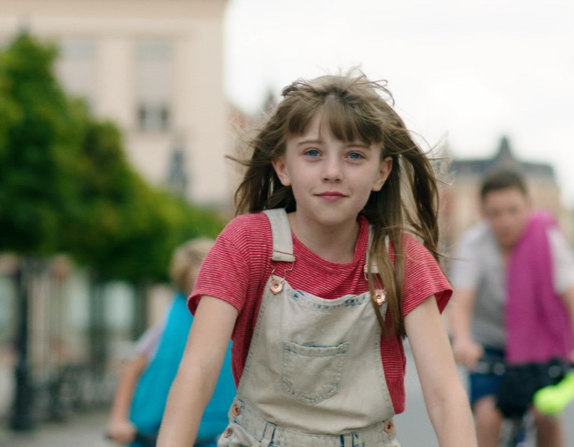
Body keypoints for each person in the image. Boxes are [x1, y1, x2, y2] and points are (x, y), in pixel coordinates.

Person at [157, 70, 477, 447]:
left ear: (382, 171)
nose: (332, 172)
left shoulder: (402, 258)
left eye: (354, 155)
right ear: (282, 166)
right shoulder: (246, 242)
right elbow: (198, 370)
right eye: (312, 153)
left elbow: (444, 394)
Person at [449, 168, 574, 447]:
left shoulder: (547, 237)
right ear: (483, 213)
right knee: (488, 417)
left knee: (546, 416)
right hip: (488, 349)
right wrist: (462, 340)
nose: (505, 220)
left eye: (513, 210)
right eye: (495, 213)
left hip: (538, 346)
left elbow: (571, 294)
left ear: (528, 207)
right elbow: (462, 300)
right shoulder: (475, 242)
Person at [107, 238, 235, 447]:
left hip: (218, 433)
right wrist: (118, 420)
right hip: (154, 432)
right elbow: (131, 369)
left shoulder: (238, 318)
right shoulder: (167, 325)